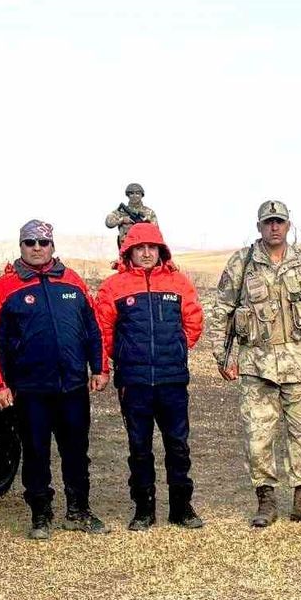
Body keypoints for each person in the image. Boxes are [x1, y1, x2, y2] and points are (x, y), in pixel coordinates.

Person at [210, 199, 301, 529]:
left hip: (299, 366)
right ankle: (266, 500)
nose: (274, 227)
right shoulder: (242, 263)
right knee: (258, 437)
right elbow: (221, 311)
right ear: (259, 226)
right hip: (256, 366)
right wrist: (222, 356)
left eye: (279, 222)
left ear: (288, 225)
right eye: (268, 222)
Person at [0, 220, 109, 540]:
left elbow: (93, 328)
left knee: (76, 451)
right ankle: (41, 513)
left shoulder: (73, 281)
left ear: (52, 246)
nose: (36, 248)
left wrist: (100, 367)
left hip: (73, 386)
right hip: (30, 389)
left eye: (43, 242)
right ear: (21, 246)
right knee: (36, 451)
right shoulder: (3, 288)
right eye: (30, 242)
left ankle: (78, 510)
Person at [95, 222, 204, 531]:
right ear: (128, 252)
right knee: (139, 447)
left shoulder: (179, 282)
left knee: (178, 445)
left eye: (151, 248)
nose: (145, 253)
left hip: (172, 379)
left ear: (160, 251)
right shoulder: (113, 286)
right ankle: (144, 509)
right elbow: (103, 330)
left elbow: (194, 321)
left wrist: (176, 346)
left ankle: (181, 508)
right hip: (134, 381)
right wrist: (122, 355)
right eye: (139, 248)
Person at [104, 182, 158, 248]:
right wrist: (122, 220)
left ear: (142, 195)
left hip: (142, 246)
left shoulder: (149, 212)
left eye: (137, 193)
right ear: (128, 195)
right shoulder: (121, 211)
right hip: (126, 245)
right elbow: (108, 223)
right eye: (131, 193)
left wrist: (147, 223)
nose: (134, 196)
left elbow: (156, 232)